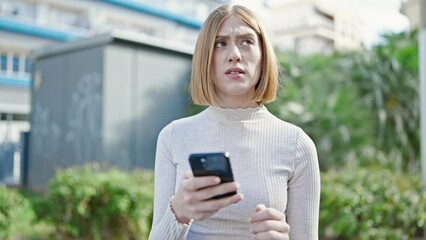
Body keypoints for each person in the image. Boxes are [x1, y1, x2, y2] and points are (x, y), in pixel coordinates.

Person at [148, 4, 320, 240]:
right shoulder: (173, 136)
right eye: (220, 43)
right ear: (206, 57)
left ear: (263, 55)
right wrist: (178, 211)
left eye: (247, 41)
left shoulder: (298, 145)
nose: (235, 54)